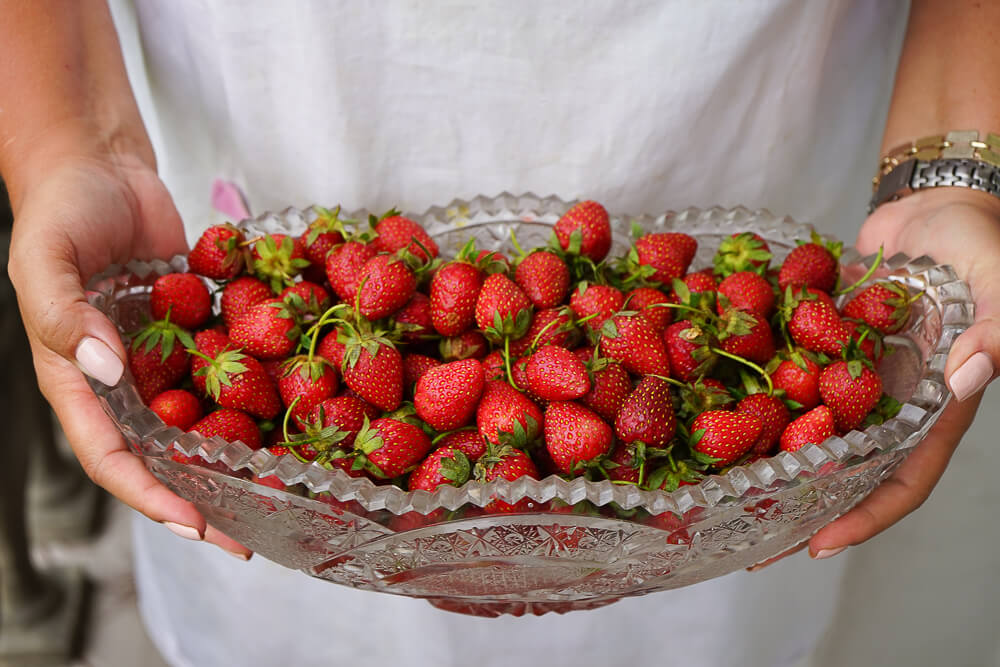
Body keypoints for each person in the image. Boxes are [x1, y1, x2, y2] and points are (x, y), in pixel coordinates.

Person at [2, 1, 998, 665]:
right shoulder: (317, 355)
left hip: (748, 221)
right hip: (273, 347)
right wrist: (69, 139)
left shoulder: (700, 370)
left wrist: (948, 170)